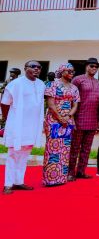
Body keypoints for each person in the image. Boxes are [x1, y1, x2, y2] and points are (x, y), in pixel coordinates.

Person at [1, 61, 45, 195]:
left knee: (25, 154)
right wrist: (9, 119)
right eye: (33, 66)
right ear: (25, 68)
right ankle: (8, 184)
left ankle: (18, 181)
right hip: (17, 124)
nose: (36, 69)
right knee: (13, 154)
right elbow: (4, 103)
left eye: (39, 67)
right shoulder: (15, 84)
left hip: (32, 126)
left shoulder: (41, 84)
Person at [42, 63, 80, 186]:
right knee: (53, 148)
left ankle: (61, 178)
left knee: (65, 149)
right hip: (54, 121)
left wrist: (68, 117)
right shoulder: (52, 84)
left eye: (73, 71)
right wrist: (60, 118)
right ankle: (50, 179)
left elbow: (75, 105)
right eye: (69, 71)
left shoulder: (74, 88)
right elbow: (50, 104)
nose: (71, 73)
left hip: (67, 121)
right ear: (62, 71)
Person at [69, 57, 99, 180]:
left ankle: (81, 171)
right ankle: (70, 172)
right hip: (79, 119)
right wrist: (71, 118)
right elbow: (71, 99)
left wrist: (98, 121)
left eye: (96, 67)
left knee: (86, 149)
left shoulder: (98, 82)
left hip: (92, 120)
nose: (94, 68)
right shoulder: (77, 80)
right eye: (92, 66)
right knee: (75, 147)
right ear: (86, 66)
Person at [0, 67, 21, 132]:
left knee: (13, 115)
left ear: (16, 74)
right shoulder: (8, 80)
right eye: (10, 72)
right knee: (4, 115)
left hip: (15, 102)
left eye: (12, 72)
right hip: (6, 101)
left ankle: (11, 129)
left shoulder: (19, 81)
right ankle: (3, 129)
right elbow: (2, 89)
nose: (11, 74)